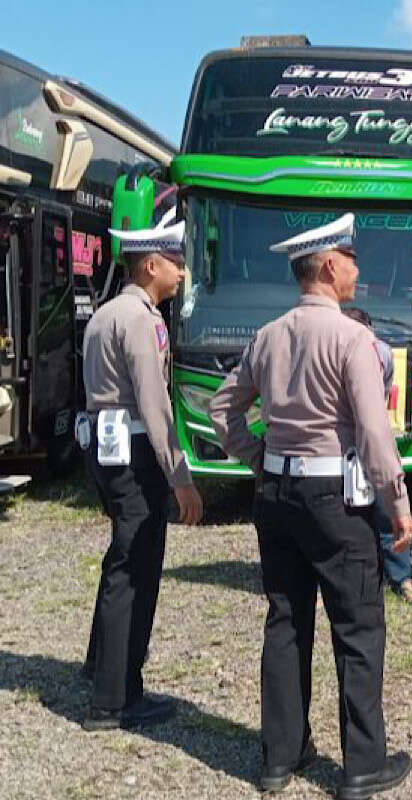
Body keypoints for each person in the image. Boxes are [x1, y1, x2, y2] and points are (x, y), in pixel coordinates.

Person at [210, 214, 412, 798]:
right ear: (329, 265)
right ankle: (363, 765)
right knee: (357, 626)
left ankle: (280, 756)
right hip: (334, 498)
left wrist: (258, 457)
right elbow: (375, 435)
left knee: (286, 620)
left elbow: (223, 409)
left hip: (277, 492)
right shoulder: (354, 338)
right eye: (350, 259)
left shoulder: (268, 334)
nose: (356, 268)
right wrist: (396, 501)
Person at [79, 207, 204, 731]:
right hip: (132, 453)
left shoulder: (108, 313)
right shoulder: (140, 320)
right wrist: (181, 477)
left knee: (120, 562)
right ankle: (116, 698)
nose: (181, 271)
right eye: (175, 261)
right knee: (136, 568)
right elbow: (155, 405)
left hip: (107, 450)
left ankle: (101, 669)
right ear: (151, 264)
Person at [343, 307, 412, 603]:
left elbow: (384, 392)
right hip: (338, 448)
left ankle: (401, 578)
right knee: (342, 520)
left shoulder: (383, 353)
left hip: (375, 443)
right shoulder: (327, 353)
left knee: (390, 511)